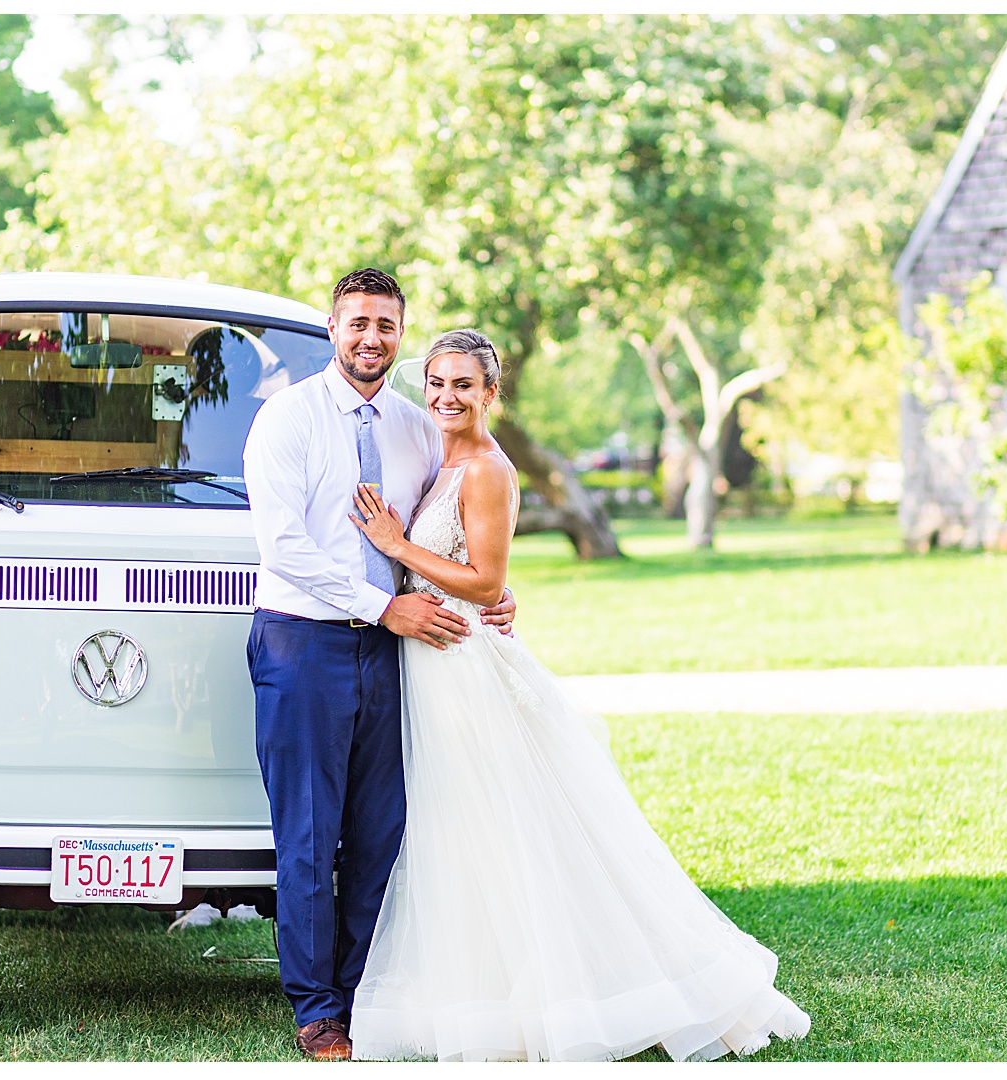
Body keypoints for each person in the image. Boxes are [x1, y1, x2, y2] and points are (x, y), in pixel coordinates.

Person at [346, 330, 812, 1062]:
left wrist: (399, 547)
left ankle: (573, 994)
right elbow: (474, 564)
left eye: (464, 385)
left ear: (491, 393)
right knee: (461, 834)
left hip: (464, 666)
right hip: (434, 661)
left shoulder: (488, 469)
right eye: (437, 382)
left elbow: (488, 584)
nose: (446, 396)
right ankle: (486, 998)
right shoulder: (445, 459)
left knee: (504, 831)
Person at [241, 270, 516, 1061]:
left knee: (380, 833)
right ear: (332, 329)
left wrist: (490, 595)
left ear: (401, 334)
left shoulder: (416, 425)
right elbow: (284, 547)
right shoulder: (286, 420)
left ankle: (365, 994)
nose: (371, 338)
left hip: (399, 652)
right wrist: (382, 604)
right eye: (358, 323)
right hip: (304, 642)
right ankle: (317, 1010)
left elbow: (451, 529)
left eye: (386, 326)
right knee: (307, 834)